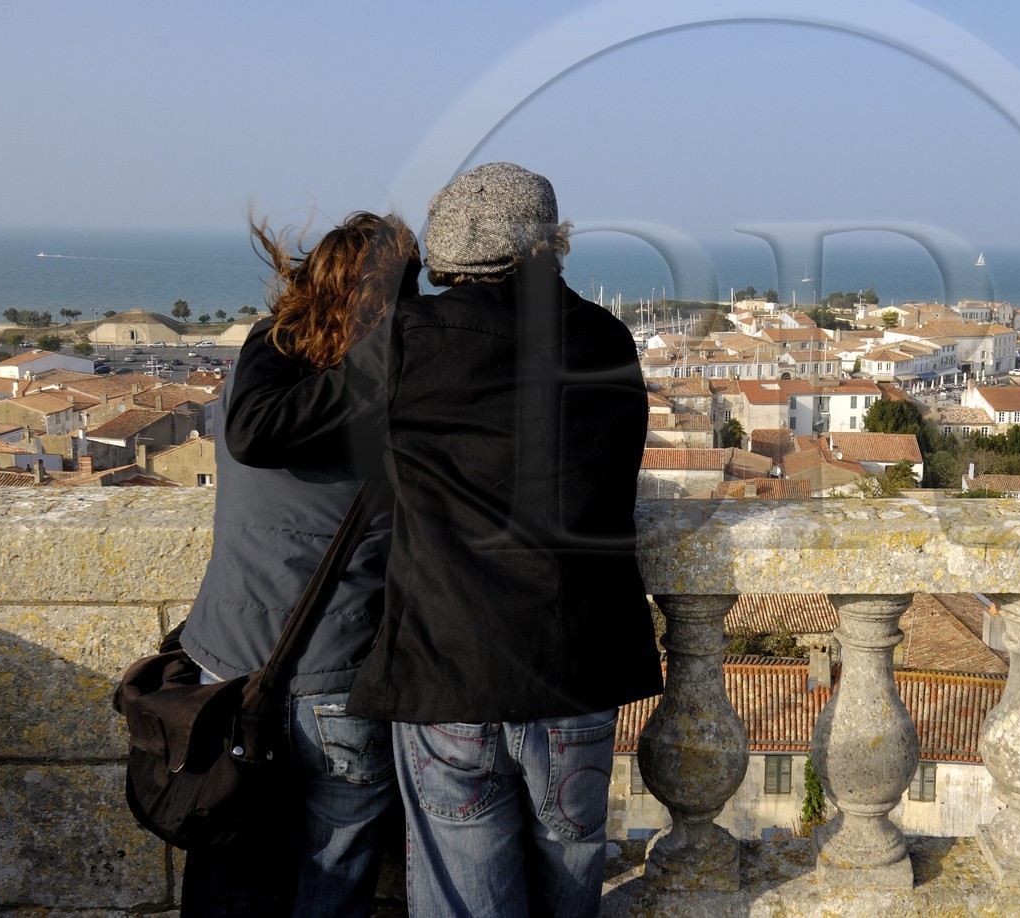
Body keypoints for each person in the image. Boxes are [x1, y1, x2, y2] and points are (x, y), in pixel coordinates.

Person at [225, 163, 664, 916]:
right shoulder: (608, 340)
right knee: (570, 896)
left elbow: (258, 429)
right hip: (577, 676)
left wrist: (286, 320)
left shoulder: (414, 343)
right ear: (549, 244)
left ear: (449, 257)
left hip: (451, 677)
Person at [179, 211, 420, 916]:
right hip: (338, 673)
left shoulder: (259, 367)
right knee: (333, 887)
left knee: (224, 873)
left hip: (225, 663)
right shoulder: (390, 390)